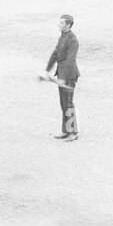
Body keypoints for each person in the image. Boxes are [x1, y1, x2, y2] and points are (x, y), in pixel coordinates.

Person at [47, 13, 80, 141]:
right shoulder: (62, 37)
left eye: (61, 23)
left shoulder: (72, 39)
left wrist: (63, 79)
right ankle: (66, 131)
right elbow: (55, 54)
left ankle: (73, 132)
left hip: (69, 76)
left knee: (68, 103)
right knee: (63, 104)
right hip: (62, 75)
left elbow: (70, 61)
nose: (58, 24)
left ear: (68, 25)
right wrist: (47, 71)